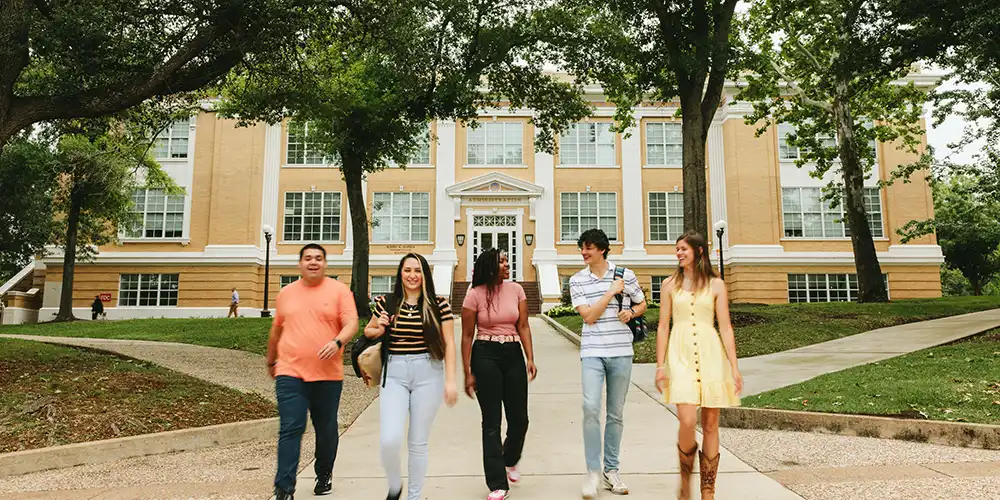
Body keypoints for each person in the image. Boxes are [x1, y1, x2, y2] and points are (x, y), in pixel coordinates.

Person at [265, 243, 359, 500]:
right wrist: (271, 361)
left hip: (327, 375)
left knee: (326, 428)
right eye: (308, 258)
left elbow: (352, 322)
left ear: (325, 264)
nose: (313, 262)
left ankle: (324, 473)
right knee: (291, 427)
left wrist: (338, 342)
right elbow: (276, 331)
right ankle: (284, 488)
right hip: (290, 372)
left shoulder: (339, 291)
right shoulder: (286, 293)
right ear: (300, 264)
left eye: (318, 258)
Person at [655, 231, 743, 500]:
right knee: (687, 419)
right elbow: (662, 327)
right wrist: (661, 365)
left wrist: (734, 367)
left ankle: (708, 490)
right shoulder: (669, 285)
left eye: (683, 249)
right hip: (679, 354)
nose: (679, 253)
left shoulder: (716, 285)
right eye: (677, 249)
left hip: (711, 354)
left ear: (699, 251)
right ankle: (685, 479)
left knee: (711, 422)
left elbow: (725, 327)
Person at [364, 253, 458, 500]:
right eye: (407, 270)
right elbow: (369, 330)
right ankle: (394, 485)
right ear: (400, 273)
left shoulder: (439, 304)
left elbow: (449, 343)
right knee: (389, 440)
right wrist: (380, 325)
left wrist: (450, 380)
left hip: (429, 373)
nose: (412, 275)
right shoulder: (388, 301)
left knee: (418, 443)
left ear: (425, 274)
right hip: (394, 373)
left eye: (417, 270)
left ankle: (413, 497)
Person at [569, 228, 646, 499]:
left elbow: (642, 303)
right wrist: (610, 293)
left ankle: (611, 470)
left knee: (615, 413)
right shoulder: (577, 280)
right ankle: (592, 472)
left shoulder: (626, 275)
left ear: (602, 249)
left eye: (588, 247)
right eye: (582, 247)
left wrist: (630, 312)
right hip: (592, 352)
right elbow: (588, 317)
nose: (583, 252)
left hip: (621, 351)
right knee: (590, 408)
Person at [462, 248, 538, 500]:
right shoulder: (474, 295)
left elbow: (524, 325)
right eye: (502, 262)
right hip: (485, 355)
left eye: (507, 260)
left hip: (513, 353)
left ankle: (509, 459)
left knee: (520, 419)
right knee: (491, 422)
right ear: (490, 267)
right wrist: (467, 372)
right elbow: (466, 336)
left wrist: (530, 358)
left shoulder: (516, 289)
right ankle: (497, 483)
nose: (507, 265)